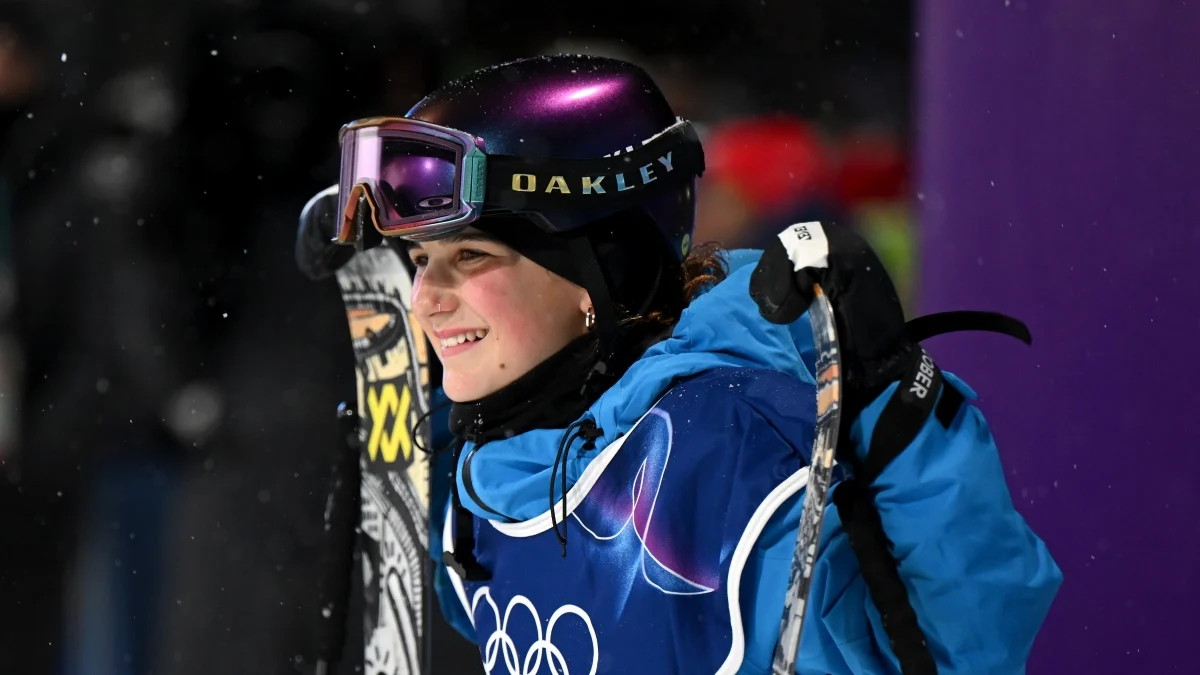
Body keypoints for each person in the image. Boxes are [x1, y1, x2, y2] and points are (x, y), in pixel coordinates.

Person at [330, 54, 1062, 675]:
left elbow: (962, 646)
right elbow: (505, 601)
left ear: (600, 269)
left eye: (471, 256)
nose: (426, 300)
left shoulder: (725, 437)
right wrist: (423, 420)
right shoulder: (509, 445)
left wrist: (889, 403)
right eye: (420, 260)